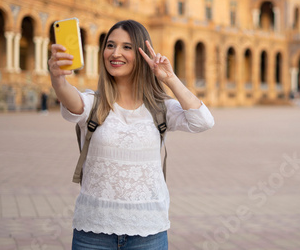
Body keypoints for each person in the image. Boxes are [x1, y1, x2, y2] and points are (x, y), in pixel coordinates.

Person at [48, 19, 214, 250]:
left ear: (143, 54)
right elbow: (71, 100)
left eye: (127, 47)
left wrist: (169, 79)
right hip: (93, 232)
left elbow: (203, 122)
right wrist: (58, 79)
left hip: (148, 232)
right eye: (110, 45)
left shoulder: (160, 108)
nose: (116, 53)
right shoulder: (93, 103)